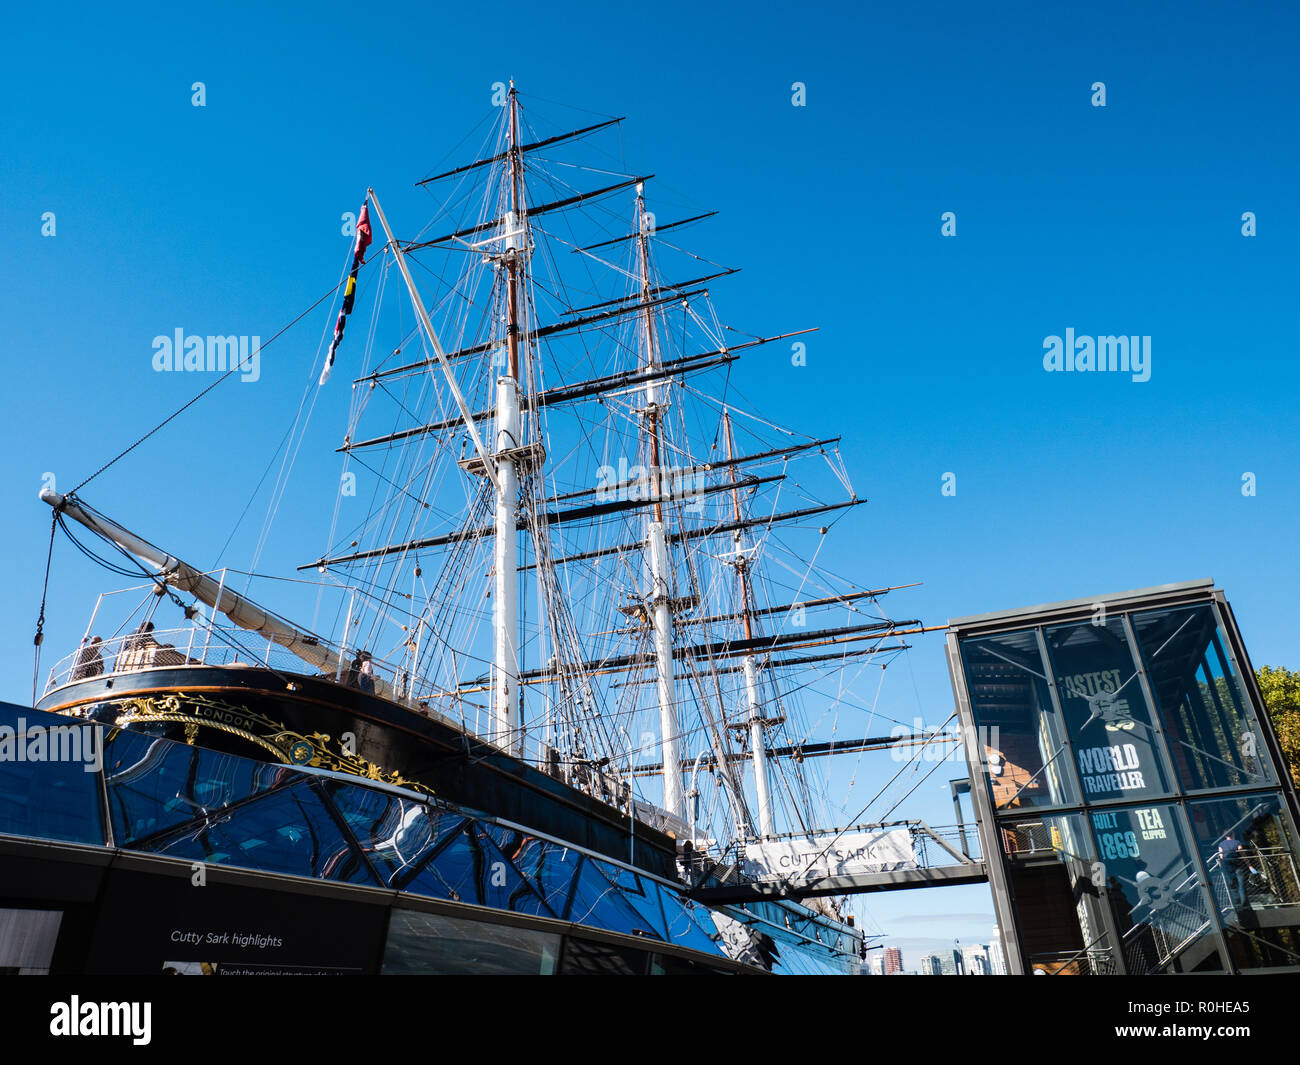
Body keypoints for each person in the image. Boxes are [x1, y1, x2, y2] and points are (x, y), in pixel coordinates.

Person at [1218, 832, 1249, 909]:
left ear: (1225, 836)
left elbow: (1221, 856)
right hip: (1237, 865)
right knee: (1241, 885)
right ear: (1233, 835)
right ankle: (1243, 903)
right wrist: (1249, 865)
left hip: (1228, 867)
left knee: (1232, 884)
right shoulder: (1237, 842)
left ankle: (1236, 902)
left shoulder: (1221, 844)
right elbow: (1242, 853)